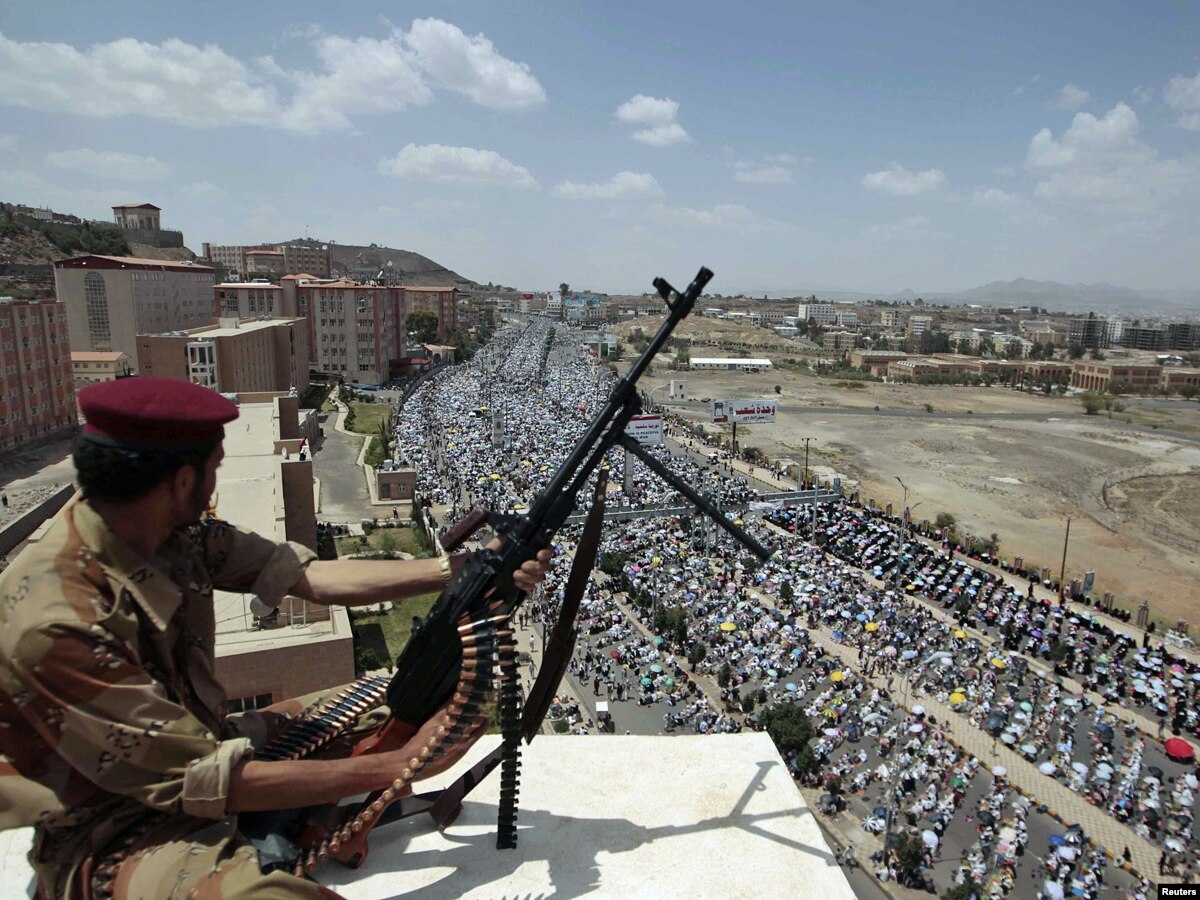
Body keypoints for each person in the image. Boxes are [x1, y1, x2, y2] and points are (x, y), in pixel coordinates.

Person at [0, 378, 552, 900]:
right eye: (214, 467)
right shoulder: (56, 620)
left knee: (387, 698)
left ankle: (311, 821)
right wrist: (403, 765)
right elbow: (206, 781)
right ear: (183, 481)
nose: (216, 480)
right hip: (114, 825)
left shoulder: (162, 530)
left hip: (209, 747)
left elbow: (305, 577)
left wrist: (457, 569)